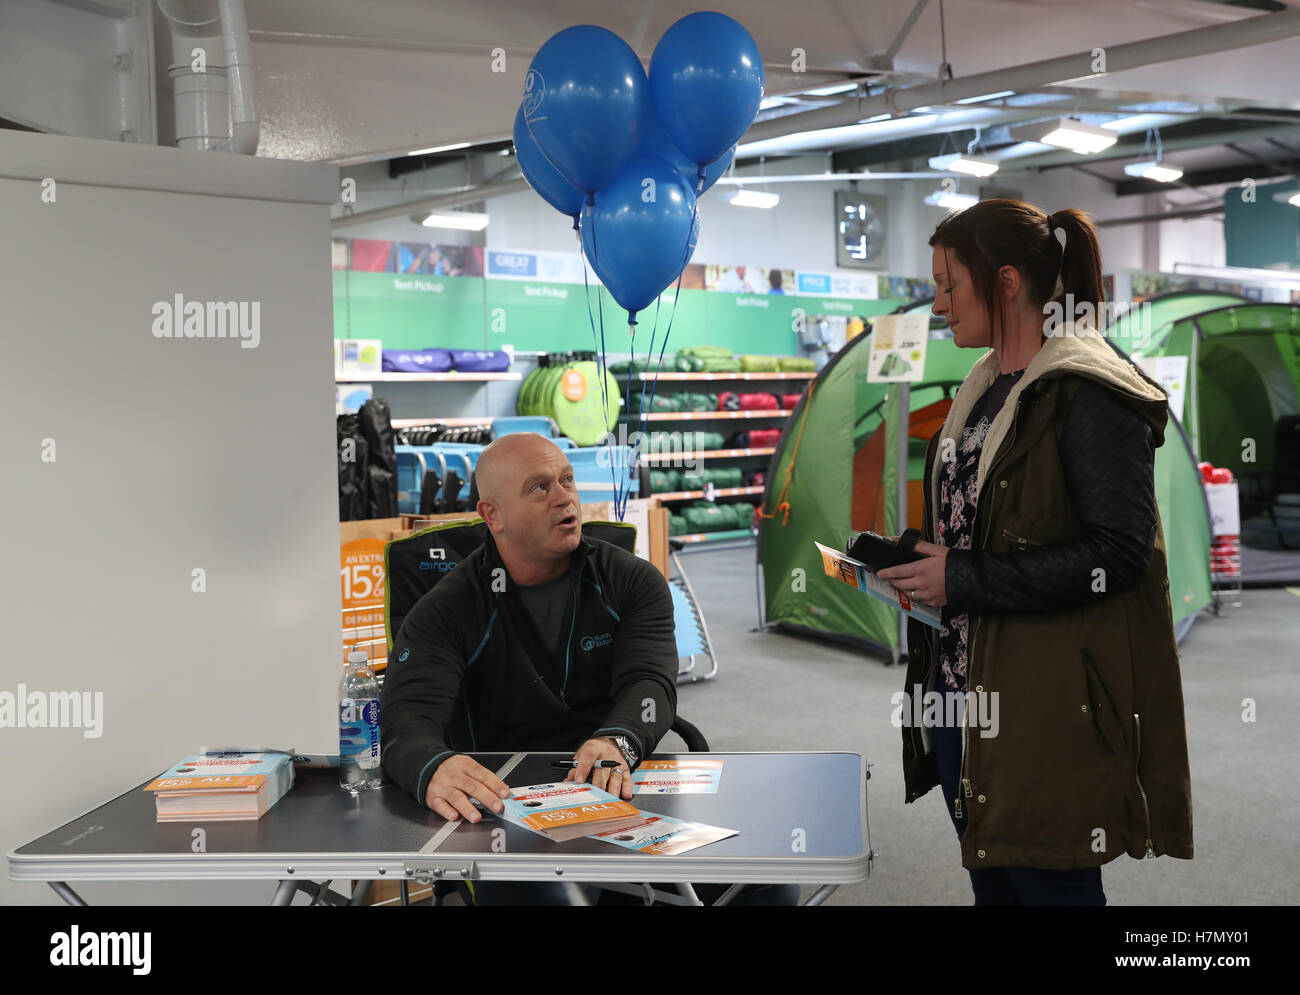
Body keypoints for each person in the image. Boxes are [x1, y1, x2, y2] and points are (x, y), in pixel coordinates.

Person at [877, 199, 1193, 906]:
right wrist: (922, 565)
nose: (938, 305)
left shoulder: (1086, 390)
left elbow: (1119, 554)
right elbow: (989, 529)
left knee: (1052, 889)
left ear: (1008, 282)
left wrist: (963, 576)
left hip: (1048, 706)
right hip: (963, 696)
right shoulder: (982, 392)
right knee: (995, 887)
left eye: (948, 285)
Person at [380, 432, 797, 905]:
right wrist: (434, 766)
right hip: (506, 811)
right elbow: (405, 719)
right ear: (492, 515)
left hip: (621, 786)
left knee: (767, 884)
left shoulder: (632, 580)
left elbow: (650, 682)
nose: (564, 497)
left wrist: (617, 739)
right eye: (539, 487)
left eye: (567, 480)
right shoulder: (445, 610)